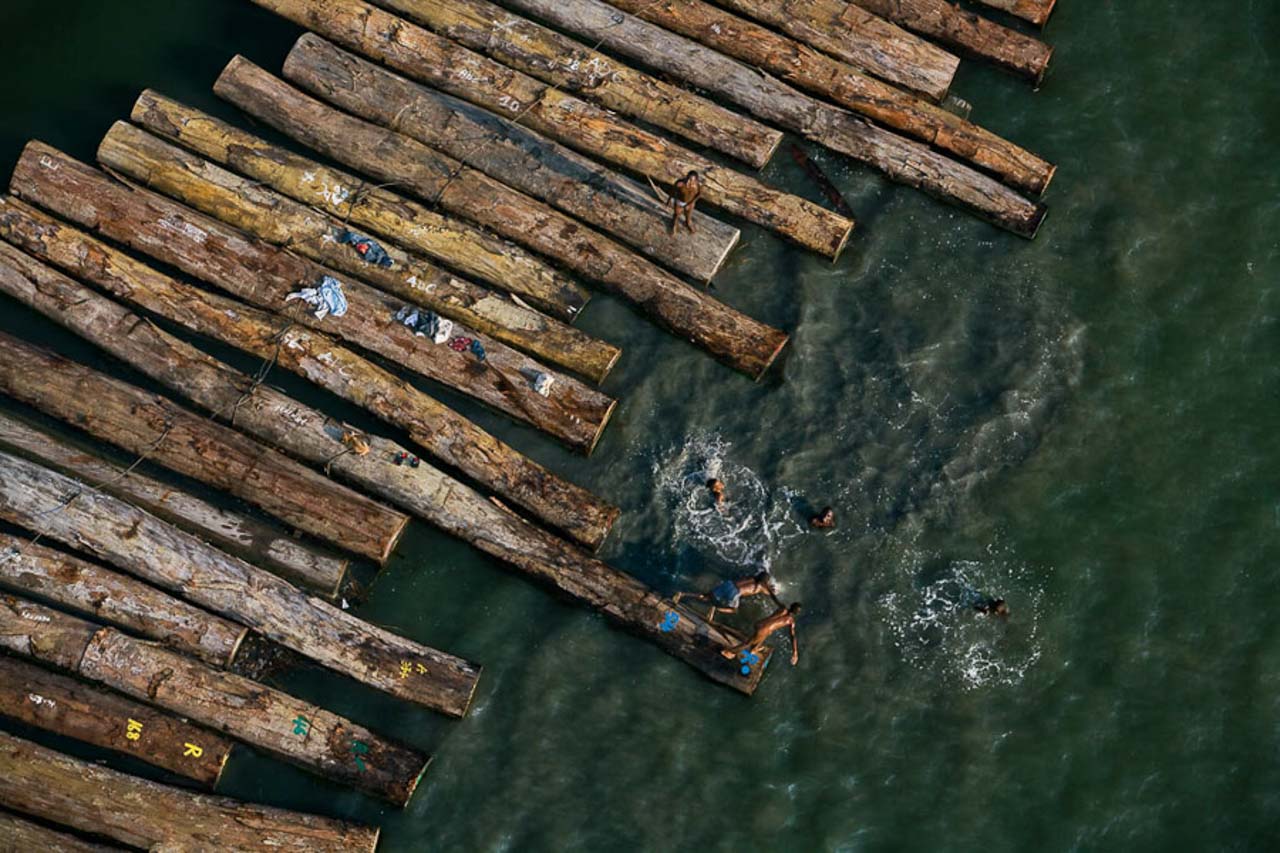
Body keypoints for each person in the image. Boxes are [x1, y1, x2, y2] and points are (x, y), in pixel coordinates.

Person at [673, 570, 781, 623]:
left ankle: (682, 594)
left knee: (706, 596)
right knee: (734, 610)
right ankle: (716, 609)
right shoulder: (760, 587)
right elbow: (771, 593)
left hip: (729, 584)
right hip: (735, 592)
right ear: (764, 582)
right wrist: (774, 590)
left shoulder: (751, 577)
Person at [721, 603, 802, 665]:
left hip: (760, 623)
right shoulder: (790, 621)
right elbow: (792, 636)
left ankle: (754, 649)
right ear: (796, 613)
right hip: (764, 630)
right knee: (748, 643)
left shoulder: (783, 608)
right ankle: (729, 652)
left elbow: (774, 598)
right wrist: (795, 652)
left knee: (766, 633)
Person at [669, 170, 701, 235]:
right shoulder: (680, 183)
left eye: (691, 180)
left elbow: (698, 195)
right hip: (679, 202)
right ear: (686, 177)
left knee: (688, 215)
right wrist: (674, 200)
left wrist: (690, 204)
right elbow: (673, 192)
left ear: (695, 181)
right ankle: (674, 223)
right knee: (677, 214)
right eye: (688, 179)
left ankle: (688, 223)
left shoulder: (697, 186)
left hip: (690, 203)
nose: (689, 181)